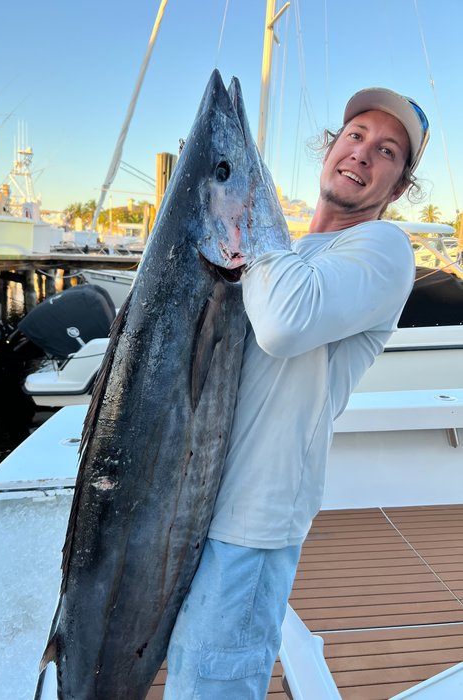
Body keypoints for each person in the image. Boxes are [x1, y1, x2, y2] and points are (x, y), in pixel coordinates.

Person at [163, 87, 430, 699]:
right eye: (356, 134)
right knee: (187, 668)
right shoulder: (283, 252)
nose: (364, 153)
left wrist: (243, 214)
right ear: (331, 147)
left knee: (211, 684)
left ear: (396, 188)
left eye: (387, 151)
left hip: (252, 521)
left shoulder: (380, 249)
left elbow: (284, 324)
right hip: (194, 506)